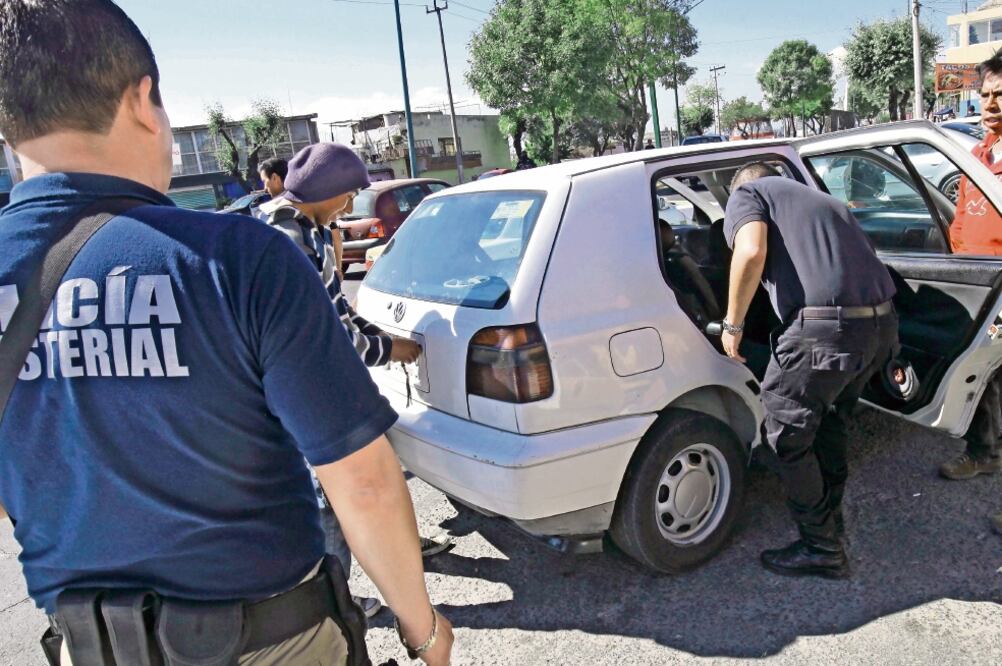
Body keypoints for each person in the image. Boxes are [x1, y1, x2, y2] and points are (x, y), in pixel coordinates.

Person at [0, 2, 453, 664]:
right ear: (141, 100)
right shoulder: (239, 257)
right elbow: (361, 480)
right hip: (270, 642)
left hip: (89, 646)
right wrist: (425, 630)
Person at [259, 143, 453, 616]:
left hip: (312, 385)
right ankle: (333, 604)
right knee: (329, 500)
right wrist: (390, 349)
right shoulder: (290, 240)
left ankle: (398, 545)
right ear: (325, 190)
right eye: (346, 196)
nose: (349, 207)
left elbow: (336, 307)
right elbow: (326, 332)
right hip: (303, 391)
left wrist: (381, 337)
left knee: (369, 468)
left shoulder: (304, 228)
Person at [721, 163, 899, 578]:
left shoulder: (749, 195)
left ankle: (821, 547)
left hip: (825, 331)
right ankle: (830, 519)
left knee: (785, 437)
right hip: (880, 326)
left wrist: (733, 323)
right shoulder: (827, 201)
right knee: (829, 420)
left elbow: (750, 251)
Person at [942, 49, 1002, 535]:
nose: (991, 103)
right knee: (984, 378)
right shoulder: (978, 155)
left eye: (1001, 95)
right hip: (978, 286)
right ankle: (984, 453)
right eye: (985, 94)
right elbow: (962, 219)